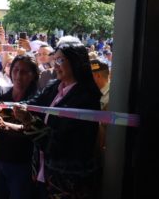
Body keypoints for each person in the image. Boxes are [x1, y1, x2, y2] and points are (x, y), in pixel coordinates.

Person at [13, 36, 102, 198]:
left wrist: (28, 121)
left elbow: (59, 144)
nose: (55, 65)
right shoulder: (54, 86)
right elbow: (32, 105)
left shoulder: (85, 99)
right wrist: (6, 108)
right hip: (42, 174)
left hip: (67, 183)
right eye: (55, 60)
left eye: (60, 61)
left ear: (75, 62)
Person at [0, 54, 40, 199]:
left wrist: (4, 125)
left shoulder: (36, 100)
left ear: (33, 75)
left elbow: (30, 130)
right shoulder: (1, 92)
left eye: (24, 72)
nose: (18, 75)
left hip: (21, 164)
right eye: (15, 70)